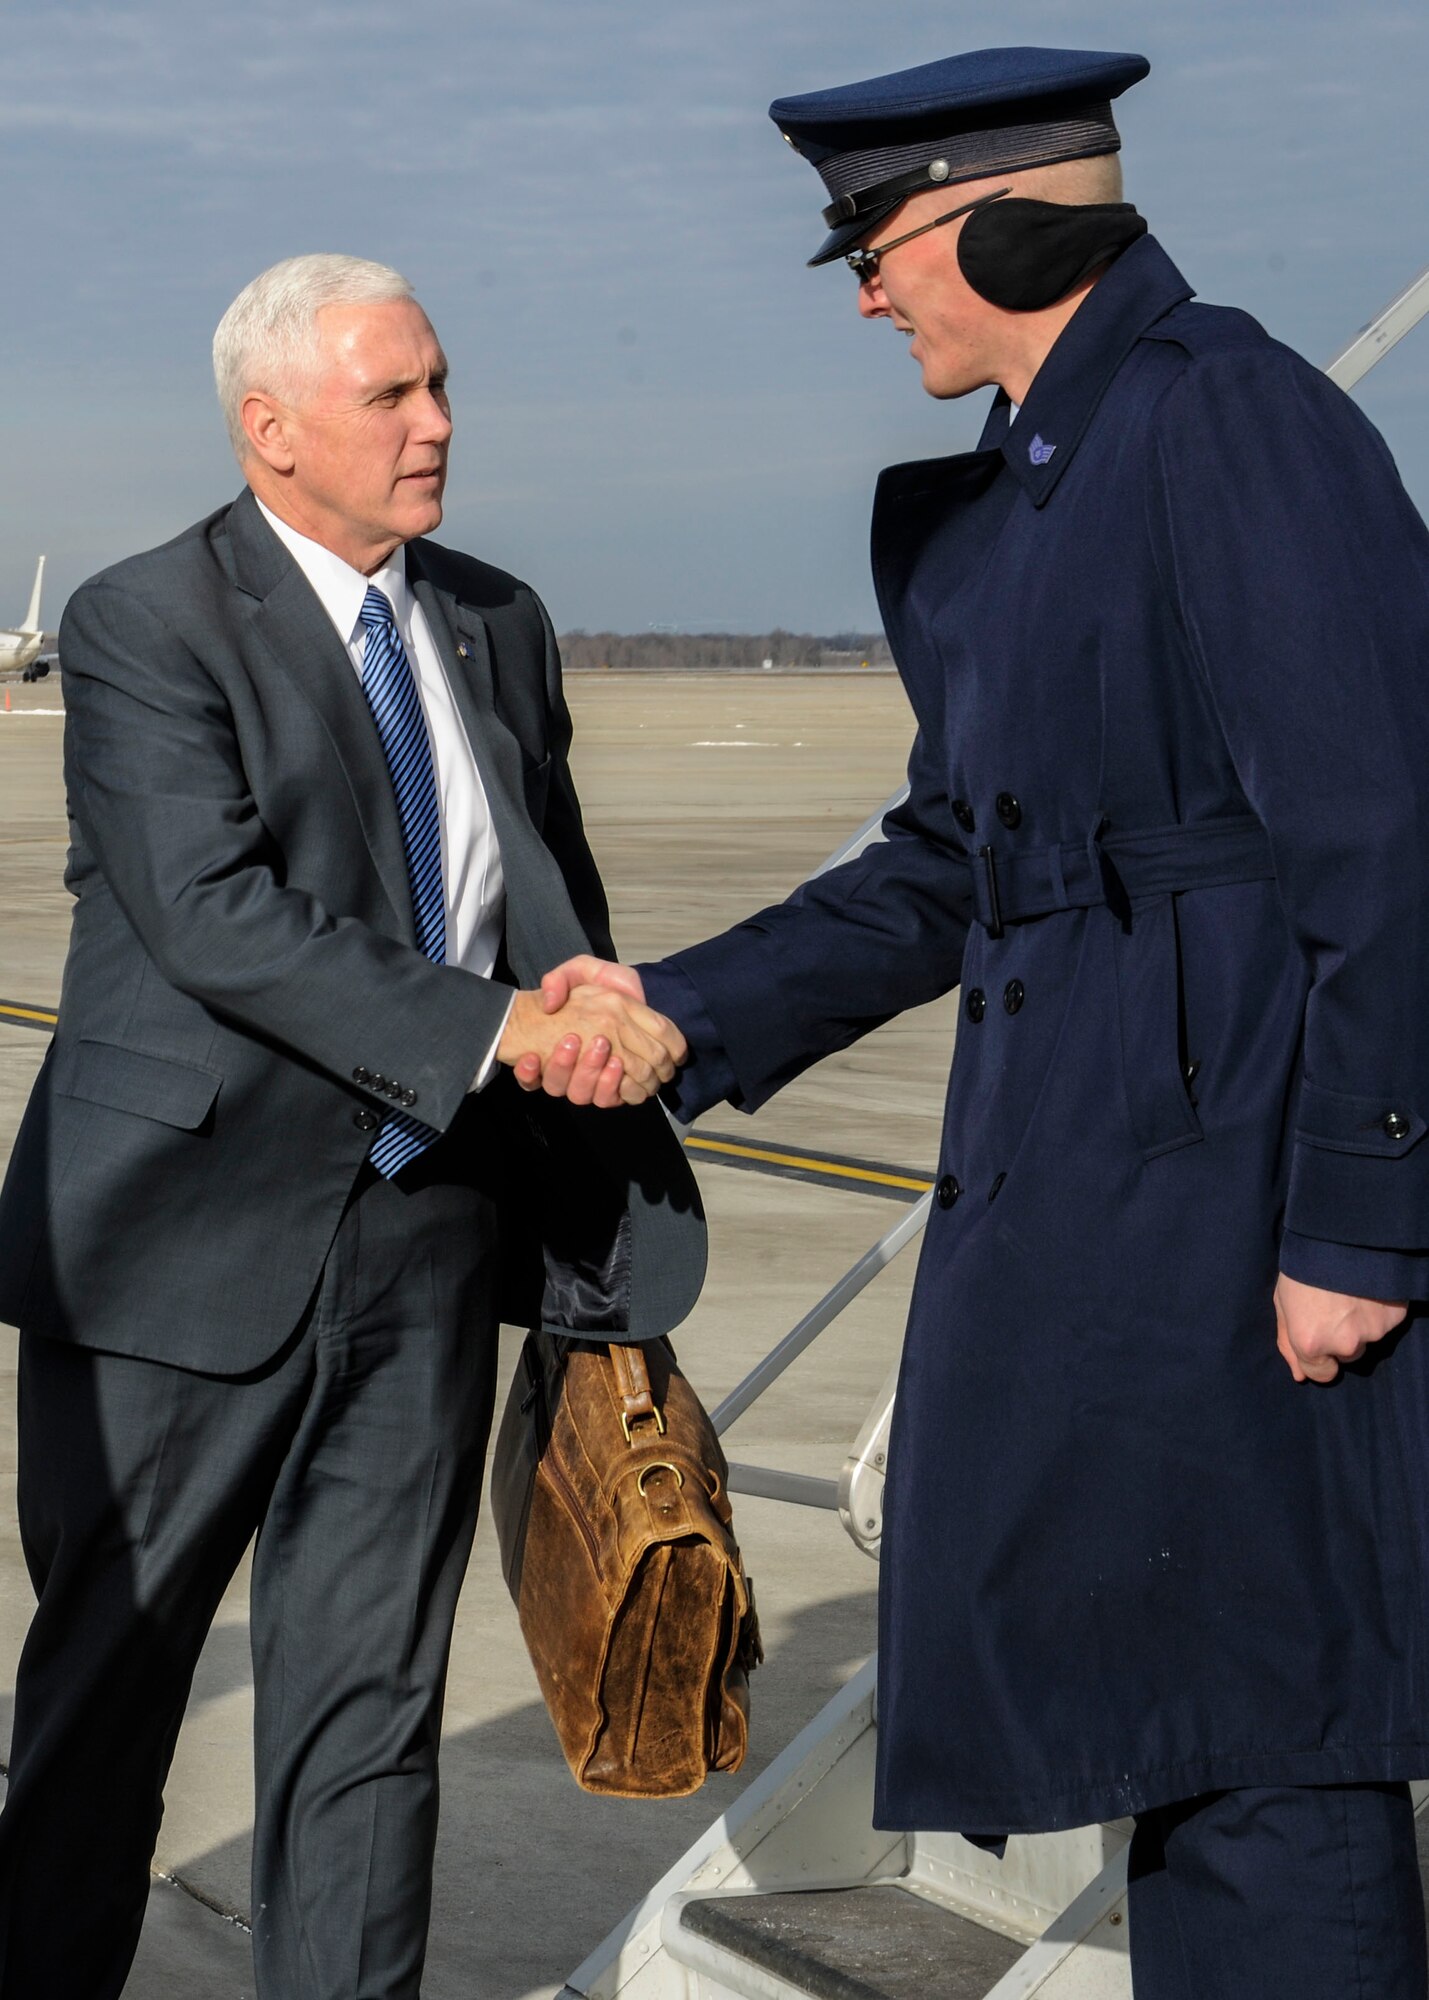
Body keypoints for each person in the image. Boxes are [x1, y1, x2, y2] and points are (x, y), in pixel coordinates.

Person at [525, 47, 1429, 1997]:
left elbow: (1388, 836)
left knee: (1272, 1753)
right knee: (1177, 1742)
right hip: (1098, 1212)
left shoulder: (1232, 423)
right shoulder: (1038, 485)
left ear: (1002, 223)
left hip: (1238, 1211)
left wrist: (1358, 1224)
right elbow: (953, 857)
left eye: (872, 242)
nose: (861, 289)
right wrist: (684, 1007)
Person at [0, 252, 700, 1999]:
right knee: (105, 1700)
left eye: (439, 384)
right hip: (177, 1237)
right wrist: (499, 1028)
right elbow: (209, 910)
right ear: (270, 427)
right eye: (390, 396)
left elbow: (538, 890)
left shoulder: (497, 617)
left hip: (428, 1233)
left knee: (372, 1709)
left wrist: (594, 1015)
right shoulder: (143, 617)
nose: (436, 424)